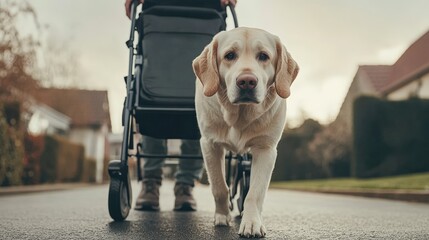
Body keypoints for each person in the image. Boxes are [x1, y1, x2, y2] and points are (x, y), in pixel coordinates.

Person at [124, 0, 237, 212]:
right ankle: (156, 182)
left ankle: (179, 185)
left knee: (200, 103)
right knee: (153, 99)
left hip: (191, 13)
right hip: (191, 14)